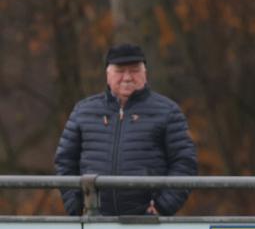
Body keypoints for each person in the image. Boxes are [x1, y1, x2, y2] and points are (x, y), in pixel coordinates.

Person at [54, 43, 198, 215]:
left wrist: (162, 206)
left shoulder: (168, 111)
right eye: (120, 71)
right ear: (108, 74)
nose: (128, 77)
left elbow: (185, 163)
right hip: (94, 223)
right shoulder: (82, 111)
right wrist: (76, 206)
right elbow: (64, 162)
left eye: (135, 70)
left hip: (149, 225)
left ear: (145, 73)